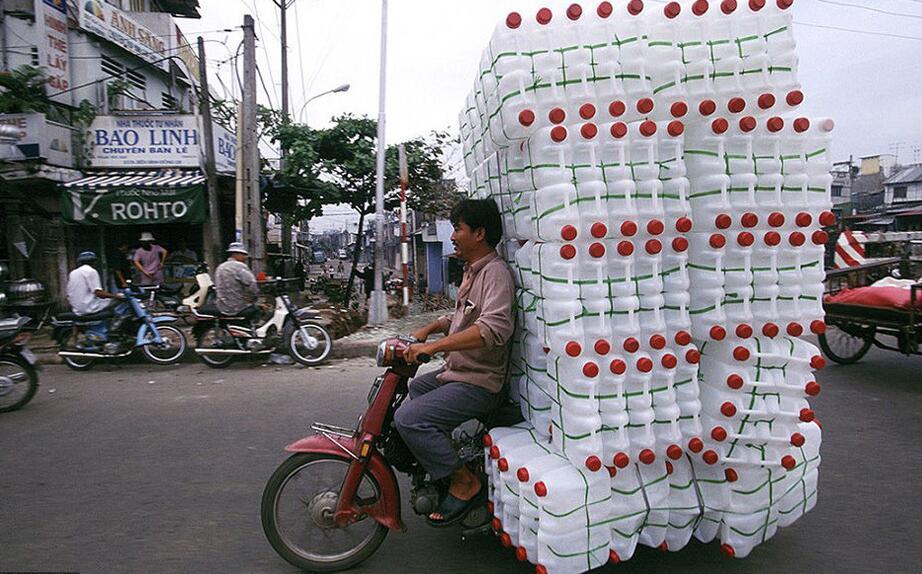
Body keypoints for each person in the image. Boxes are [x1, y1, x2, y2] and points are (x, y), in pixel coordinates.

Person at [393, 199, 515, 526]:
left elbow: (492, 329)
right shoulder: (473, 271)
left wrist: (434, 347)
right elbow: (462, 318)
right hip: (458, 371)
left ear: (479, 233)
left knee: (409, 419)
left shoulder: (495, 274)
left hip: (480, 381)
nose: (452, 236)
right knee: (417, 387)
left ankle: (464, 481)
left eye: (458, 229)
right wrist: (429, 328)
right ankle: (447, 453)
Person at [66, 251, 126, 343]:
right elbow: (99, 293)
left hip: (77, 308)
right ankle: (114, 327)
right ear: (93, 262)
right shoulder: (91, 271)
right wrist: (116, 296)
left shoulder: (73, 272)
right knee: (119, 302)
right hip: (89, 307)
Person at [214, 242, 262, 322]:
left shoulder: (221, 267)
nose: (245, 257)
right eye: (243, 254)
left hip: (221, 305)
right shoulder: (239, 266)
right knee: (259, 310)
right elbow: (252, 284)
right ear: (235, 254)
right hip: (237, 306)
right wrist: (254, 297)